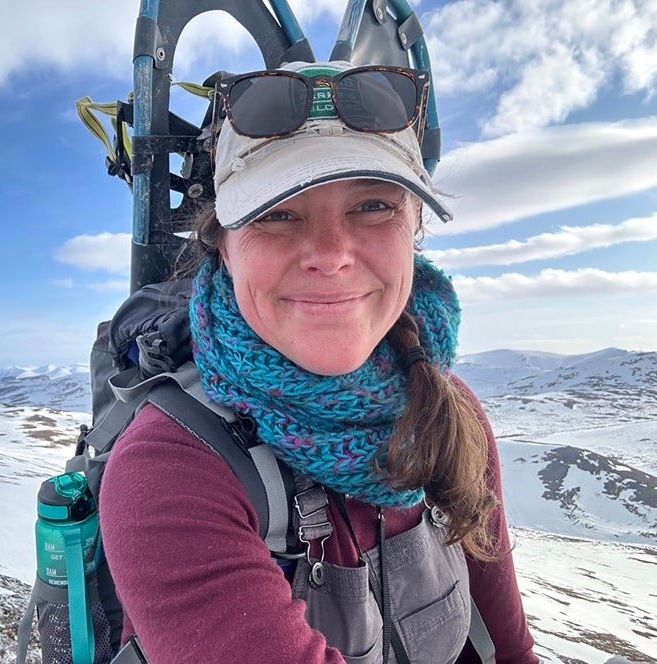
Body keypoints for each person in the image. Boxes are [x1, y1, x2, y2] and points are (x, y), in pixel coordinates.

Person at [99, 60, 538, 664]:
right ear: (222, 247)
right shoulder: (171, 468)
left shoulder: (446, 409)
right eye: (277, 214)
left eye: (374, 207)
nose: (331, 256)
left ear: (414, 226)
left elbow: (506, 642)